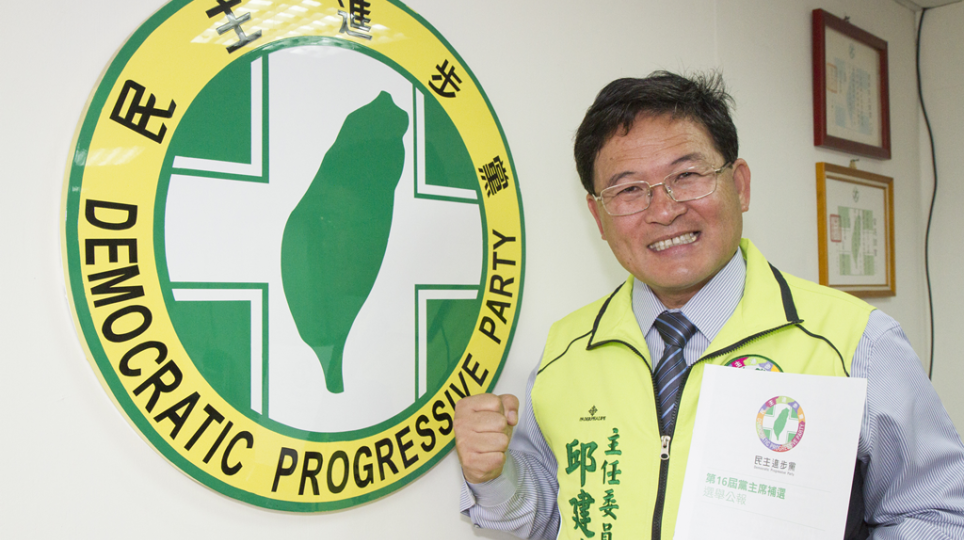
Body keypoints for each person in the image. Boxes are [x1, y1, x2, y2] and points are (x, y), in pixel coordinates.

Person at [454, 71, 964, 540]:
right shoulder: (566, 349)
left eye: (687, 176)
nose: (664, 210)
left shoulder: (854, 341)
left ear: (739, 185)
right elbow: (557, 513)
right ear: (598, 215)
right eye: (629, 189)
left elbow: (938, 513)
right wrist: (493, 476)